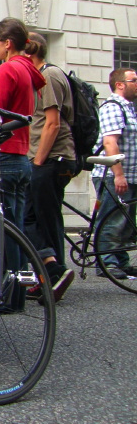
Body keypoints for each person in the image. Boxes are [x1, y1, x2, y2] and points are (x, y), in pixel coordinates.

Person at [0, 18, 46, 309]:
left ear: (7, 43)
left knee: (2, 232)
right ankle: (18, 295)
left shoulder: (9, 68)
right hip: (22, 156)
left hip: (6, 157)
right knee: (16, 229)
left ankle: (7, 296)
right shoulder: (29, 70)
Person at [22, 32, 76, 303]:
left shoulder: (49, 76)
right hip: (48, 157)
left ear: (29, 52)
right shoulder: (39, 76)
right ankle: (53, 275)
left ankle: (54, 271)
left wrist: (38, 161)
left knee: (30, 217)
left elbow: (53, 123)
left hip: (52, 157)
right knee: (45, 216)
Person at [91, 68, 137, 279]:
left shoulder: (129, 108)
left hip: (130, 174)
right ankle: (106, 262)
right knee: (112, 219)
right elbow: (110, 142)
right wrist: (118, 174)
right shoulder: (113, 107)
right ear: (120, 84)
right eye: (133, 80)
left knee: (125, 221)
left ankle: (121, 260)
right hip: (114, 174)